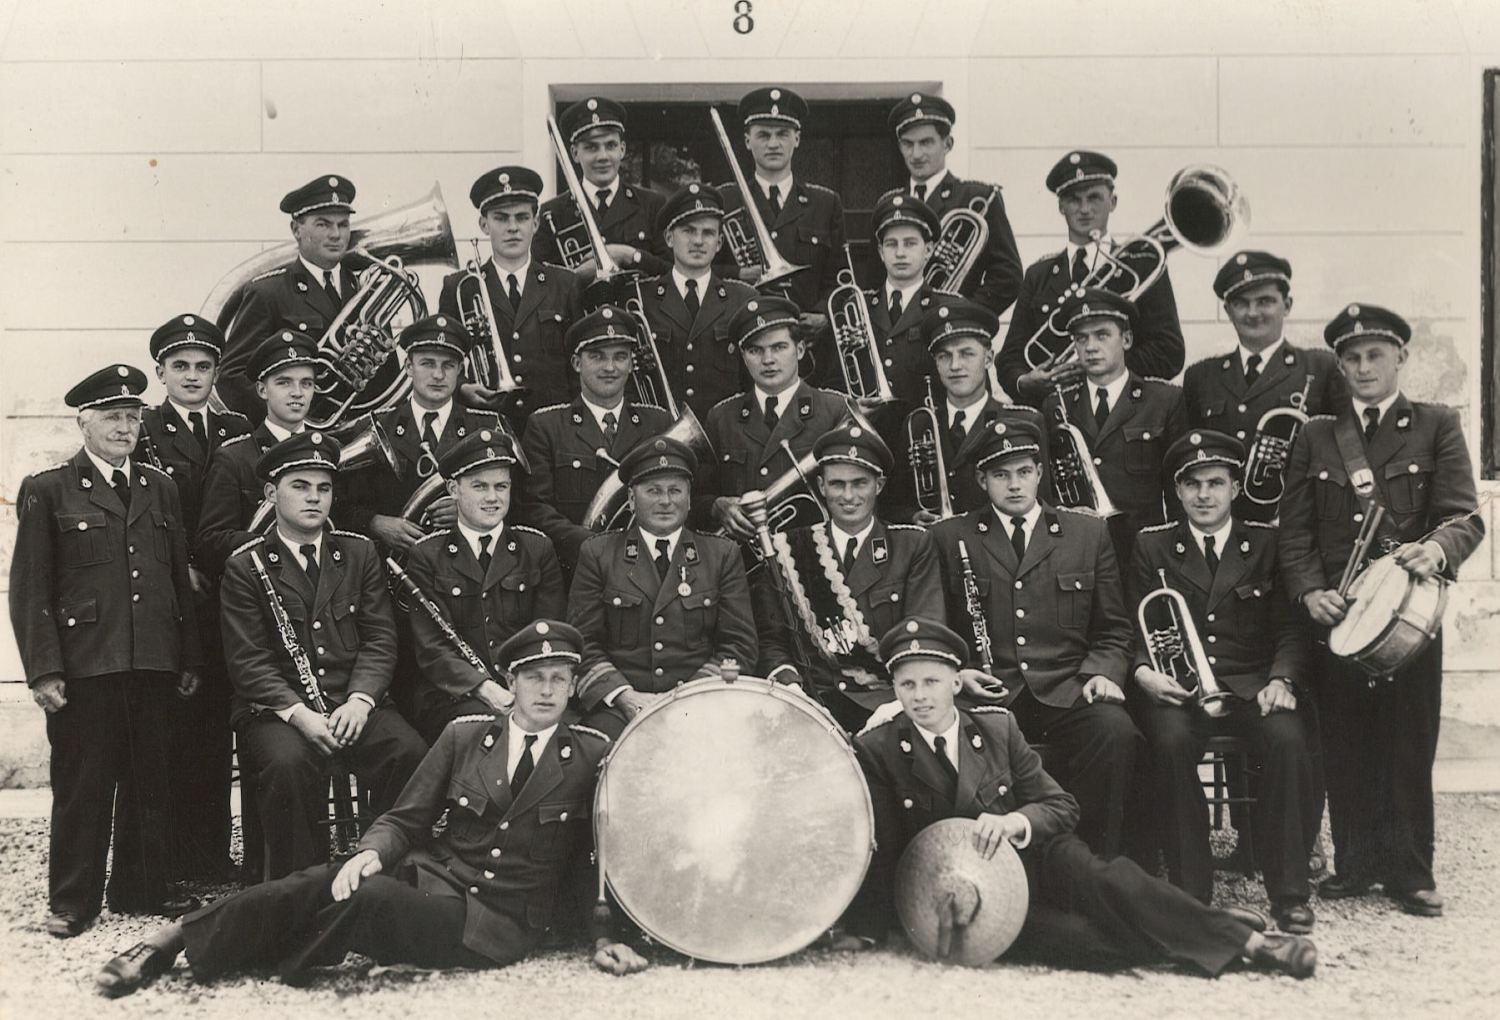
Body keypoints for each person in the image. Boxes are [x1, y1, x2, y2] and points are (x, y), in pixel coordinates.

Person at [92, 620, 649, 998]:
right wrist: (368, 852)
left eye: (559, 679)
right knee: (329, 879)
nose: (547, 691)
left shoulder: (593, 755)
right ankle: (172, 940)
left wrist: (605, 935)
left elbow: (600, 863)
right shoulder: (464, 736)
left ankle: (238, 956)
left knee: (371, 897)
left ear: (574, 684)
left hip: (495, 925)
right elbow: (406, 819)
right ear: (511, 681)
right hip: (435, 878)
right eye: (534, 677)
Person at [836, 617, 1317, 980]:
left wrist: (1015, 822)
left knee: (1108, 878)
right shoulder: (878, 749)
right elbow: (883, 852)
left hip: (1034, 858)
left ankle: (1257, 946)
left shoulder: (997, 727)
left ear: (956, 683)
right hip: (968, 897)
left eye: (931, 682)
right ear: (895, 688)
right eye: (907, 684)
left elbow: (1062, 807)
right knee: (1087, 945)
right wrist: (869, 924)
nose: (920, 696)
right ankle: (1201, 925)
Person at [1278, 303, 1484, 917]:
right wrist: (1311, 591)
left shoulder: (1437, 424)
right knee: (1344, 743)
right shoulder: (1316, 435)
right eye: (1352, 358)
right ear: (1339, 365)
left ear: (1400, 357)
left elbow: (1464, 517)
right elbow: (1295, 533)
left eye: (1375, 355)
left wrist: (1436, 549)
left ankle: (1412, 872)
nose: (1364, 367)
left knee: (1407, 742)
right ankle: (1356, 863)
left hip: (1407, 620)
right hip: (1341, 617)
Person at [9, 365, 201, 937]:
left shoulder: (157, 486)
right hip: (87, 663)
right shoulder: (48, 489)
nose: (125, 427)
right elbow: (30, 589)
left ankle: (140, 890)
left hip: (153, 659)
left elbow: (174, 578)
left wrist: (188, 657)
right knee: (83, 785)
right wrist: (44, 669)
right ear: (84, 422)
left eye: (132, 416)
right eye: (112, 417)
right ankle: (72, 901)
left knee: (150, 783)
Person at [1128, 430, 1319, 933]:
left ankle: (1290, 894)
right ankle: (1192, 894)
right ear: (1178, 490)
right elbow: (1130, 627)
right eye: (1192, 484)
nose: (1204, 494)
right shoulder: (1151, 546)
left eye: (1215, 482)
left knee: (1288, 738)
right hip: (1180, 687)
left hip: (1253, 683)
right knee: (1167, 742)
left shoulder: (1267, 543)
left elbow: (1289, 630)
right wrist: (1144, 672)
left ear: (1236, 487)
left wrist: (1283, 680)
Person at [930, 416, 1141, 857]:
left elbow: (1114, 628)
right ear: (981, 479)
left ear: (1040, 473)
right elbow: (937, 627)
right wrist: (959, 672)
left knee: (1115, 731)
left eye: (1024, 472)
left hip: (1066, 689)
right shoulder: (950, 536)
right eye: (1001, 475)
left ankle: (1091, 860)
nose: (1014, 485)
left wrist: (1103, 673)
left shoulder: (1087, 532)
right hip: (987, 695)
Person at [219, 431, 426, 880]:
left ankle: (385, 879)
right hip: (279, 711)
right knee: (288, 765)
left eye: (324, 488)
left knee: (409, 753)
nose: (314, 498)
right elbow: (248, 661)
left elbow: (379, 639)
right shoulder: (245, 566)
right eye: (300, 486)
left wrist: (361, 700)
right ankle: (304, 895)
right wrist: (299, 714)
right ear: (272, 494)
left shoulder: (359, 552)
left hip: (351, 702)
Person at [137, 314, 252, 879]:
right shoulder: (142, 430)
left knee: (219, 727)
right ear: (161, 372)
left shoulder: (240, 428)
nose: (191, 376)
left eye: (203, 366)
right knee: (180, 729)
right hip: (176, 598)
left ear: (217, 371)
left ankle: (212, 857)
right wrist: (182, 568)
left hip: (236, 596)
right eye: (179, 366)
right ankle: (174, 858)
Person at [752, 421, 945, 732]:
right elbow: (773, 639)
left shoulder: (911, 545)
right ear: (821, 487)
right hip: (816, 701)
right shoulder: (789, 549)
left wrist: (900, 704)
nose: (849, 496)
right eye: (837, 484)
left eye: (860, 483)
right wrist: (789, 685)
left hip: (892, 700)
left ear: (878, 486)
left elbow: (924, 630)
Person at [569, 436, 757, 737]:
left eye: (675, 490)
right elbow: (583, 643)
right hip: (621, 709)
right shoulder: (598, 554)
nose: (666, 501)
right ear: (631, 499)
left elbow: (739, 646)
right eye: (653, 491)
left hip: (701, 704)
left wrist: (687, 698)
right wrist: (624, 696)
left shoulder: (722, 555)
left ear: (690, 498)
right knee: (597, 755)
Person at [402, 427, 565, 743]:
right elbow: (433, 650)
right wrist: (484, 687)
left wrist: (524, 688)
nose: (493, 497)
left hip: (529, 688)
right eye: (480, 487)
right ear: (453, 489)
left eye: (501, 486)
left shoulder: (537, 548)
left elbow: (548, 631)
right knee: (492, 734)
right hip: (454, 694)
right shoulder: (427, 555)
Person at [997, 151, 1185, 407]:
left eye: (1094, 197)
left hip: (1127, 411)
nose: (1084, 209)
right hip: (1054, 414)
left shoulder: (1142, 266)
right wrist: (1024, 381)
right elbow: (1010, 358)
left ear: (1113, 201)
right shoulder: (1038, 274)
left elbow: (1170, 351)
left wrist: (1098, 368)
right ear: (1061, 206)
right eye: (1074, 200)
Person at [1183, 251, 1348, 522]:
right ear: (1227, 310)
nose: (1253, 313)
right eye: (1241, 303)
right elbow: (1188, 464)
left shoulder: (1322, 368)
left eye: (1265, 302)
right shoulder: (1200, 377)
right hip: (1223, 530)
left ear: (1287, 305)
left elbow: (1346, 454)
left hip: (1296, 528)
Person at [518, 306, 674, 572]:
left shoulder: (659, 422)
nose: (610, 368)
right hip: (577, 569)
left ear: (631, 363)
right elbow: (535, 509)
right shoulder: (546, 426)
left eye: (620, 357)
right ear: (577, 363)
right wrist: (592, 546)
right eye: (597, 357)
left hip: (651, 567)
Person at [1041, 288, 1186, 571]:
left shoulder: (1164, 400)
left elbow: (1179, 488)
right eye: (1081, 339)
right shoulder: (1056, 404)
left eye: (1102, 335)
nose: (1091, 347)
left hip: (1143, 552)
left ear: (1127, 339)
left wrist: (1177, 552)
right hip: (1077, 552)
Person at [337, 313, 506, 554]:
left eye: (448, 365)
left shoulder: (488, 427)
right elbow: (341, 506)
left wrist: (470, 510)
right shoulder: (374, 426)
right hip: (394, 569)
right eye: (427, 363)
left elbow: (520, 507)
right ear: (408, 367)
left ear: (460, 370)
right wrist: (375, 523)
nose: (438, 375)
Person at [696, 295, 851, 540]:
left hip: (818, 555)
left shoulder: (835, 409)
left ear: (800, 350)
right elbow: (699, 495)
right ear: (743, 357)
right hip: (744, 564)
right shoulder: (721, 417)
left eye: (779, 347)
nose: (768, 360)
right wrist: (717, 506)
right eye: (755, 350)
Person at [439, 165, 583, 430]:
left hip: (554, 429)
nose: (513, 227)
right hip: (486, 427)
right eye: (501, 218)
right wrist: (461, 389)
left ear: (536, 223)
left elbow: (578, 367)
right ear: (484, 225)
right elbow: (445, 358)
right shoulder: (461, 287)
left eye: (522, 217)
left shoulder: (564, 283)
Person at [886, 300, 1052, 524]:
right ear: (935, 363)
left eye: (966, 354)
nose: (955, 366)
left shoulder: (1024, 422)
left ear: (988, 358)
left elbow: (1042, 507)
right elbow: (895, 505)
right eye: (944, 356)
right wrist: (913, 517)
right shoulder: (918, 423)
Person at [716, 87, 846, 365]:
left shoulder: (825, 203)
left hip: (806, 348)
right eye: (763, 135)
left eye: (782, 134)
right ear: (747, 140)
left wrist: (824, 314)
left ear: (796, 139)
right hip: (743, 345)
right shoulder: (724, 199)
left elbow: (837, 276)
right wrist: (742, 273)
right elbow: (703, 270)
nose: (773, 144)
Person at [218, 175, 361, 420]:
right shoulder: (268, 292)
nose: (336, 234)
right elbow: (231, 377)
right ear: (296, 230)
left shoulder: (365, 288)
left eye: (343, 224)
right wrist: (284, 423)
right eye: (323, 224)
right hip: (296, 439)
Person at [882, 92, 1022, 316]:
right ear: (900, 147)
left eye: (926, 143)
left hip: (954, 337)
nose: (916, 154)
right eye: (908, 144)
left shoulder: (978, 198)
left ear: (947, 144)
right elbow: (875, 278)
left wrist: (963, 316)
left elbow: (1008, 277)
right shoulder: (888, 204)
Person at [194, 330, 317, 576]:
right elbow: (211, 542)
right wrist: (280, 544)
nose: (297, 392)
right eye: (284, 382)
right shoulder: (235, 457)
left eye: (307, 383)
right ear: (262, 390)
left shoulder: (329, 450)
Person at [636, 182, 757, 421]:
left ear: (719, 243)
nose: (698, 241)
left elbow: (754, 382)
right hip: (661, 438)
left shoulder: (743, 299)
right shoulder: (642, 298)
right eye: (688, 231)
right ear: (669, 238)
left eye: (708, 233)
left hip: (726, 437)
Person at [533, 96, 668, 280]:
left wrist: (630, 255)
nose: (602, 156)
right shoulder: (552, 213)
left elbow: (672, 271)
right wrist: (576, 276)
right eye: (591, 148)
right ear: (575, 153)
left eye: (610, 146)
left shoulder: (653, 205)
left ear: (622, 149)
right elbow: (538, 280)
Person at [862, 191, 944, 409]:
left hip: (925, 431)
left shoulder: (946, 308)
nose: (900, 253)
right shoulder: (858, 308)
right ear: (880, 252)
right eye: (891, 244)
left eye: (910, 244)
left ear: (928, 250)